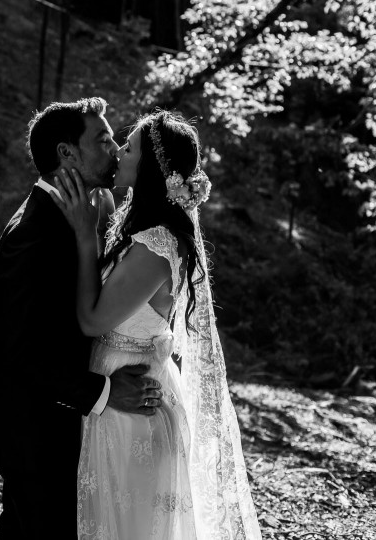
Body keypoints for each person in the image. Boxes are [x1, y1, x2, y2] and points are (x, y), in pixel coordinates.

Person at [50, 110, 261, 540]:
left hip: (133, 407)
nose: (118, 153)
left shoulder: (156, 246)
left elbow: (92, 320)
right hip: (121, 392)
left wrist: (83, 235)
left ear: (148, 168)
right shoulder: (141, 230)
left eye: (128, 148)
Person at [0, 98, 163, 539]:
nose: (115, 148)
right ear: (67, 153)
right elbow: (19, 352)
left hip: (59, 428)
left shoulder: (80, 216)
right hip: (33, 435)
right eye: (102, 139)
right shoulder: (32, 235)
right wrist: (103, 391)